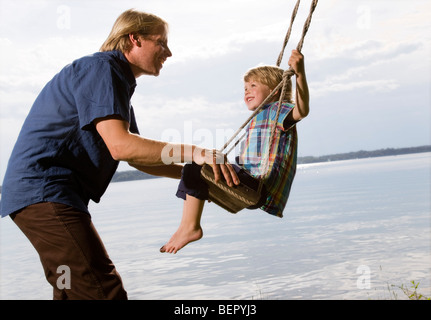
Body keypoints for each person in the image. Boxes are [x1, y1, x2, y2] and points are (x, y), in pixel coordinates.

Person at [0, 9, 238, 300]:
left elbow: (137, 157)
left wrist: (194, 172)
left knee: (72, 288)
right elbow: (121, 145)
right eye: (161, 42)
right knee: (102, 289)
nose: (169, 52)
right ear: (134, 38)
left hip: (42, 196)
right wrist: (198, 152)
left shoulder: (115, 82)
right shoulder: (101, 70)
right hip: (44, 193)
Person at [160, 49, 309, 254]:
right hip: (246, 182)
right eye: (245, 87)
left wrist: (300, 74)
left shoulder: (280, 111)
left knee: (196, 166)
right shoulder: (257, 117)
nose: (246, 91)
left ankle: (190, 228)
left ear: (275, 90)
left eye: (253, 86)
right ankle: (190, 222)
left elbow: (302, 110)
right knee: (194, 169)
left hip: (258, 187)